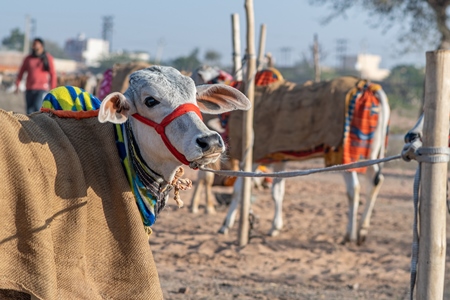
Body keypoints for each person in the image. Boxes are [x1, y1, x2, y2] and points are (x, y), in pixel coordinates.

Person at [15, 38, 57, 114]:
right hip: (29, 89)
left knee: (37, 108)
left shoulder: (47, 58)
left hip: (41, 88)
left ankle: (38, 125)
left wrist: (53, 89)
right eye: (33, 45)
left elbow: (53, 74)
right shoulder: (28, 59)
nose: (34, 48)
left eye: (36, 46)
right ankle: (29, 126)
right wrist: (17, 84)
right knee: (29, 111)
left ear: (41, 47)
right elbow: (21, 72)